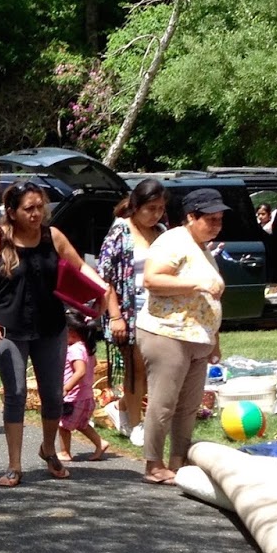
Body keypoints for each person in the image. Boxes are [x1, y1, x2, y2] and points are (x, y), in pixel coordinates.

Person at [0, 181, 107, 481]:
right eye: (29, 208)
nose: (36, 213)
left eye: (41, 207)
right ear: (12, 211)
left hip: (50, 327)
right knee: (15, 393)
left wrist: (102, 288)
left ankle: (49, 450)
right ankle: (14, 465)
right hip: (7, 328)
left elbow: (79, 268)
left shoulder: (52, 236)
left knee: (53, 395)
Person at [138, 188, 228, 485]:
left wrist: (214, 339)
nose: (216, 225)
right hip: (168, 334)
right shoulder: (174, 241)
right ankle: (153, 464)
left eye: (219, 219)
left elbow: (209, 303)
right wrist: (197, 284)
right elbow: (152, 279)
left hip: (197, 338)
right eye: (210, 219)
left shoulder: (202, 247)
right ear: (191, 217)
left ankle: (178, 460)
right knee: (164, 402)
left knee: (189, 405)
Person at [97, 178, 168, 437]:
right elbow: (105, 278)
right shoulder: (120, 232)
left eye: (160, 208)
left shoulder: (161, 231)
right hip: (130, 310)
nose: (155, 214)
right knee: (136, 366)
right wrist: (115, 316)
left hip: (159, 309)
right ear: (136, 206)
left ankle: (122, 408)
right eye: (151, 208)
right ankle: (137, 425)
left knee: (152, 367)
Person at [58, 310, 109, 463]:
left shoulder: (75, 350)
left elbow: (80, 372)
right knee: (81, 424)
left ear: (71, 332)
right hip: (86, 396)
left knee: (63, 425)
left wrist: (66, 388)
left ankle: (65, 452)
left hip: (74, 397)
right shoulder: (87, 348)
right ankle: (100, 443)